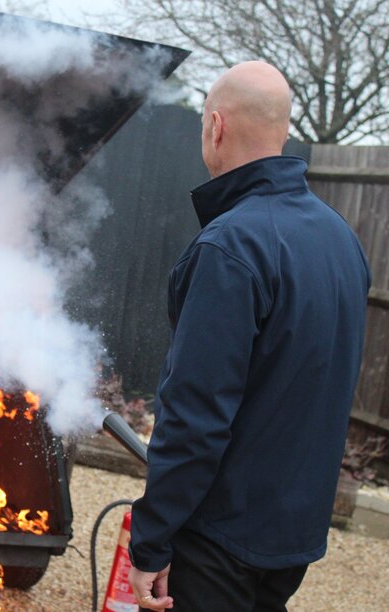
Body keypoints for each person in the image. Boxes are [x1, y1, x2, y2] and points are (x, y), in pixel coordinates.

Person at [127, 61, 371, 611]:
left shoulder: (230, 247)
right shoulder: (342, 240)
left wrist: (152, 540)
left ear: (216, 127)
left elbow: (195, 413)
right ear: (283, 130)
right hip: (291, 540)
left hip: (218, 541)